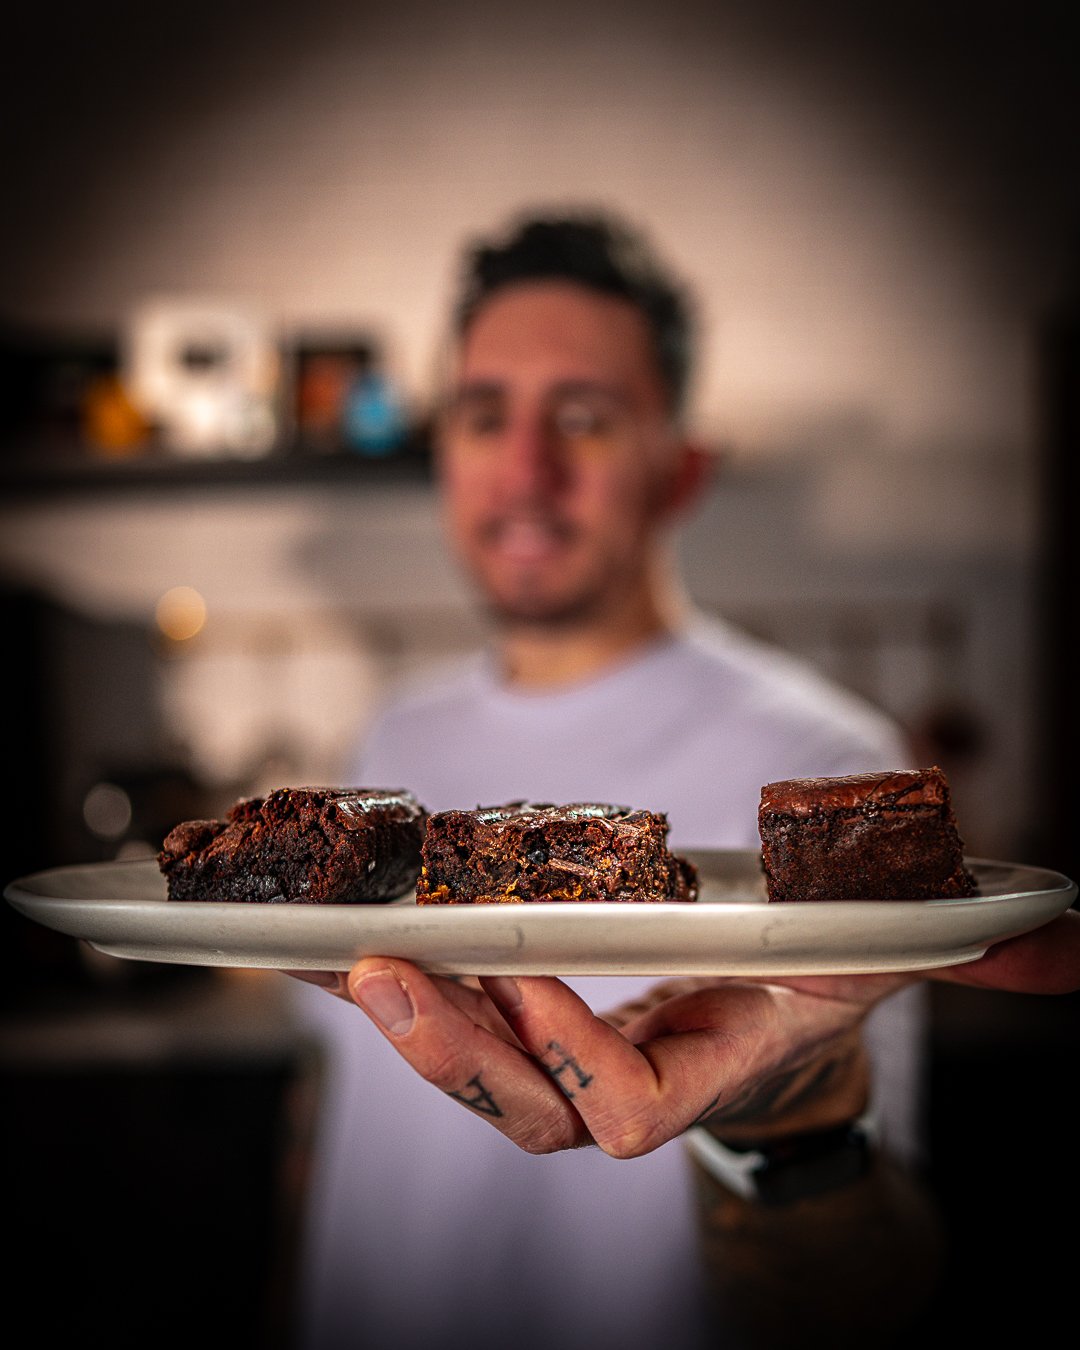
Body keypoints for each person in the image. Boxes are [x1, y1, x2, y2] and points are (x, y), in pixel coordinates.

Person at [285, 211, 1080, 1350]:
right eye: (485, 413)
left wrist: (788, 1113)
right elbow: (330, 1110)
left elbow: (868, 1298)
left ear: (682, 470)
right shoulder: (390, 742)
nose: (526, 469)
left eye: (585, 416)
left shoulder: (830, 766)